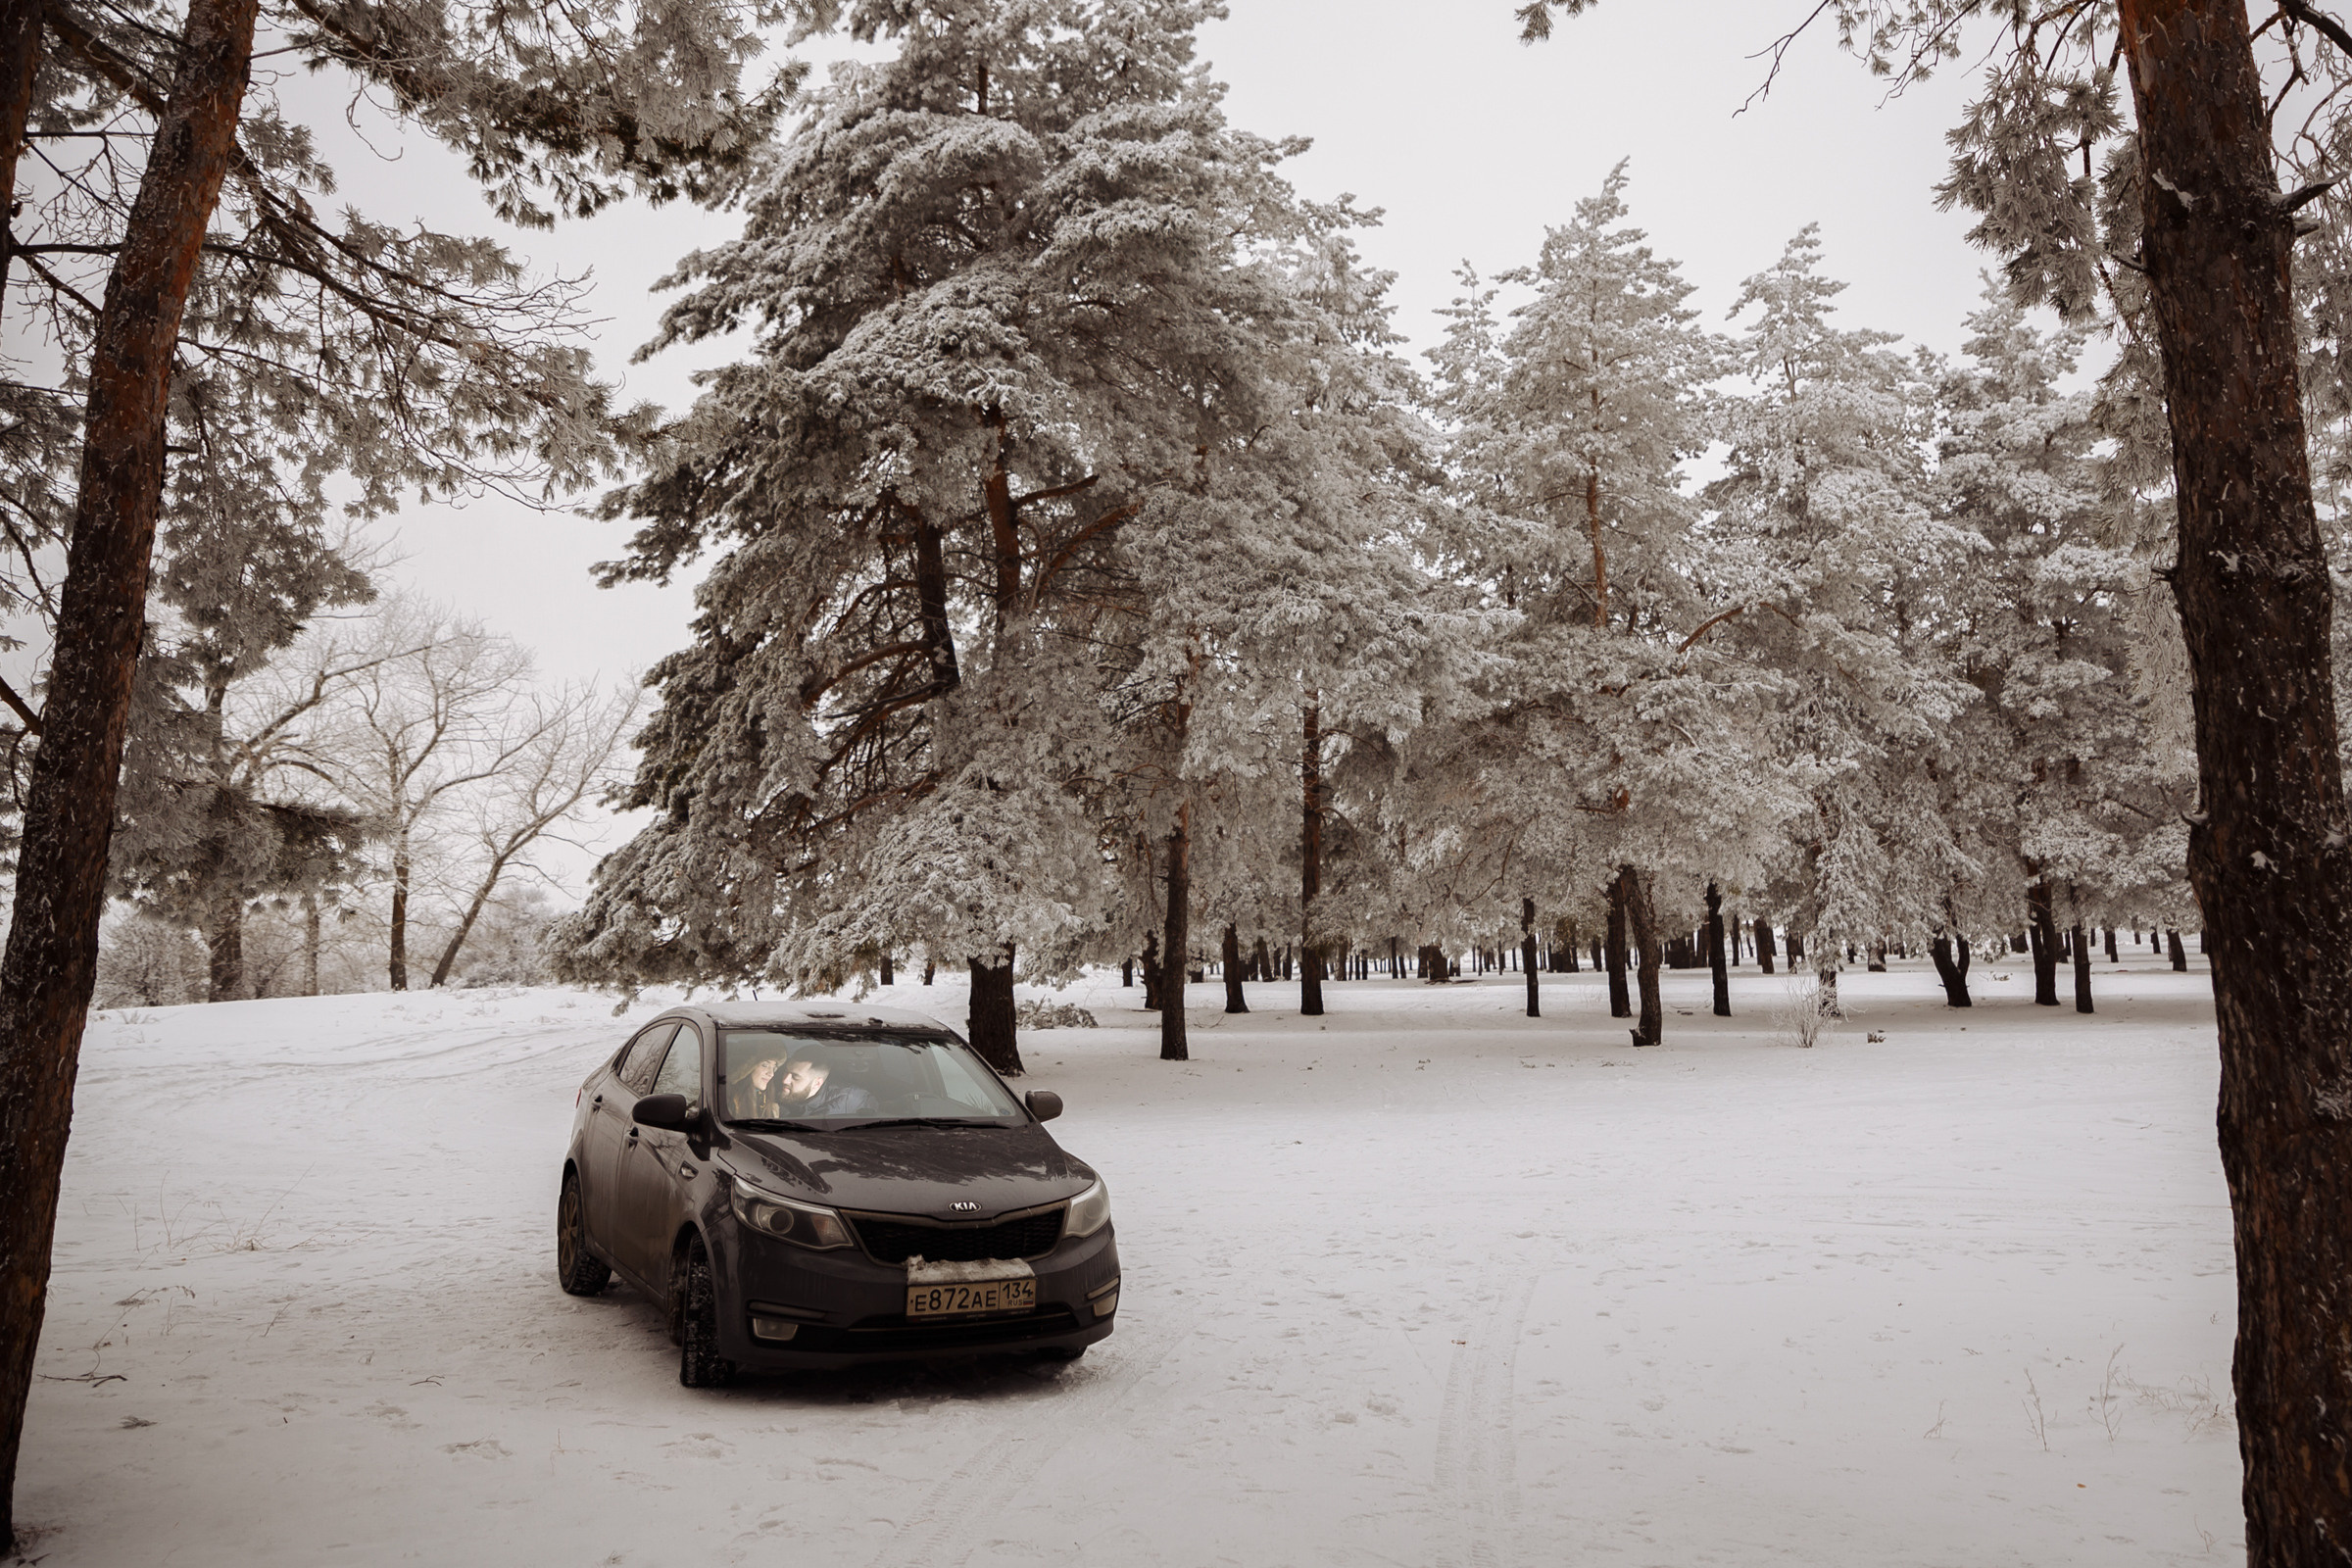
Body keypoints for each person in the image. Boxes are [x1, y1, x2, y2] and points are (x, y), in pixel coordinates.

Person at [736, 1051, 877, 1119]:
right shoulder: (771, 1085)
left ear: (817, 1083)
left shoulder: (851, 1099)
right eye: (786, 1072)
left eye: (795, 1077)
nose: (784, 1080)